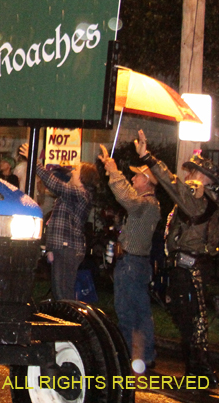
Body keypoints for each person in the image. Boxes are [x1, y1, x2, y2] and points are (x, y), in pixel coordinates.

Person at [136, 129, 219, 385]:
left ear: (204, 178)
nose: (189, 176)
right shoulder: (197, 201)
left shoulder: (200, 200)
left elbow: (171, 184)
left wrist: (149, 158)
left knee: (195, 320)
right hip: (184, 267)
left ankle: (201, 371)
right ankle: (195, 370)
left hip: (191, 267)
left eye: (193, 172)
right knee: (189, 319)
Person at [97, 144, 161, 373]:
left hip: (132, 264)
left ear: (147, 181)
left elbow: (127, 199)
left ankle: (129, 357)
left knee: (127, 310)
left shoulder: (146, 203)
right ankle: (142, 356)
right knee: (138, 311)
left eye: (137, 176)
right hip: (134, 263)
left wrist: (114, 171)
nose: (133, 179)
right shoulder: (149, 205)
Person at [21, 143, 99, 301]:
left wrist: (36, 163)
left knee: (64, 293)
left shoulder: (81, 194)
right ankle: (65, 320)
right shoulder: (73, 194)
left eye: (76, 170)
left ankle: (69, 323)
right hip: (63, 247)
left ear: (83, 177)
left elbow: (55, 184)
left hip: (68, 247)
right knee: (60, 291)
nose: (72, 171)